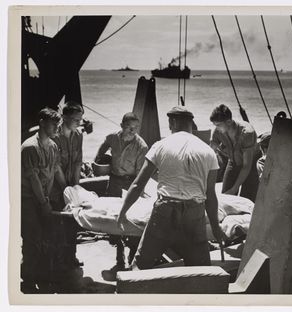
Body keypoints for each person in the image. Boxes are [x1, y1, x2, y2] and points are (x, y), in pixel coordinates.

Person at [117, 106, 224, 270]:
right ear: (191, 124)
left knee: (141, 264)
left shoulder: (160, 145)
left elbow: (138, 184)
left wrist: (122, 213)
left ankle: (132, 286)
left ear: (172, 122)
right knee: (201, 269)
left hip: (165, 211)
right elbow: (210, 195)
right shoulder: (208, 152)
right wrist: (216, 229)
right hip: (194, 212)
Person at [95, 112, 148, 269]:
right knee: (113, 216)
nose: (132, 131)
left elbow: (141, 175)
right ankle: (118, 253)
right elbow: (104, 146)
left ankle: (132, 252)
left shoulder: (142, 146)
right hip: (114, 181)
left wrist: (139, 194)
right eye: (129, 127)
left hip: (130, 183)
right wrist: (98, 158)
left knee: (130, 217)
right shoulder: (112, 137)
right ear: (121, 126)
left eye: (135, 128)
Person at [21, 108, 63, 293]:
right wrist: (44, 203)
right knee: (32, 240)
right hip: (29, 200)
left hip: (45, 198)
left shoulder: (53, 146)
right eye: (54, 124)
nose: (57, 128)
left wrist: (69, 189)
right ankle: (28, 280)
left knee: (48, 237)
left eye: (58, 124)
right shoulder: (30, 147)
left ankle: (43, 276)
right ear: (42, 123)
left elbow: (55, 171)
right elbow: (34, 180)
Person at [50, 101, 84, 269]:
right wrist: (65, 188)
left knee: (73, 222)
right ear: (64, 117)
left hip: (71, 185)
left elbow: (78, 162)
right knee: (56, 226)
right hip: (56, 188)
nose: (79, 122)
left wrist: (75, 187)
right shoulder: (54, 137)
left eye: (81, 119)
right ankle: (56, 261)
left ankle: (71, 257)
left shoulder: (78, 135)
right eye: (76, 119)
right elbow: (56, 167)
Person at [210, 104, 258, 202]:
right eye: (215, 125)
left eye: (218, 125)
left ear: (228, 122)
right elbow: (210, 153)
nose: (216, 128)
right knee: (226, 197)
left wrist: (234, 189)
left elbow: (246, 166)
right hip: (233, 161)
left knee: (247, 199)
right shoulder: (218, 131)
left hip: (251, 165)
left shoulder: (247, 133)